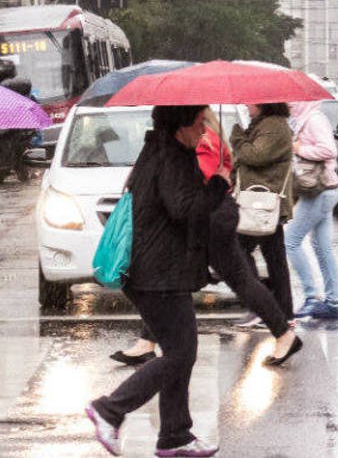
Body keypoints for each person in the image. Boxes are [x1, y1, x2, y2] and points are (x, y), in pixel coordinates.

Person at [86, 105, 227, 457]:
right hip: (158, 273)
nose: (203, 130)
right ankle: (110, 410)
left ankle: (176, 436)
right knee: (181, 354)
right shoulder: (172, 158)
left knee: (179, 352)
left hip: (158, 270)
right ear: (181, 125)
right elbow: (186, 210)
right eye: (198, 123)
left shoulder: (161, 150)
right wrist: (220, 183)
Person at [111, 110, 301, 368]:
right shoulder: (187, 141)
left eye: (201, 121)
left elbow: (198, 185)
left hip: (213, 217)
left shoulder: (202, 139)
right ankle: (149, 342)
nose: (200, 127)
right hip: (209, 214)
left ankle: (284, 332)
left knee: (236, 278)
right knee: (188, 280)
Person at [231, 103, 296, 327]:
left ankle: (261, 303)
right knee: (275, 257)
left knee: (238, 251)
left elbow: (255, 155)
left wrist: (237, 136)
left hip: (262, 203)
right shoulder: (266, 124)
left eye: (251, 101)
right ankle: (282, 311)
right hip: (262, 204)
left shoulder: (274, 126)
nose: (247, 105)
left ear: (264, 104)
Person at [285, 100, 338, 319]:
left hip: (322, 189)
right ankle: (334, 302)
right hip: (321, 190)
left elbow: (329, 150)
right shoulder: (301, 120)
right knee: (321, 246)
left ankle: (312, 296)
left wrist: (299, 148)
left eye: (290, 101)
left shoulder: (313, 119)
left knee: (290, 241)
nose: (288, 104)